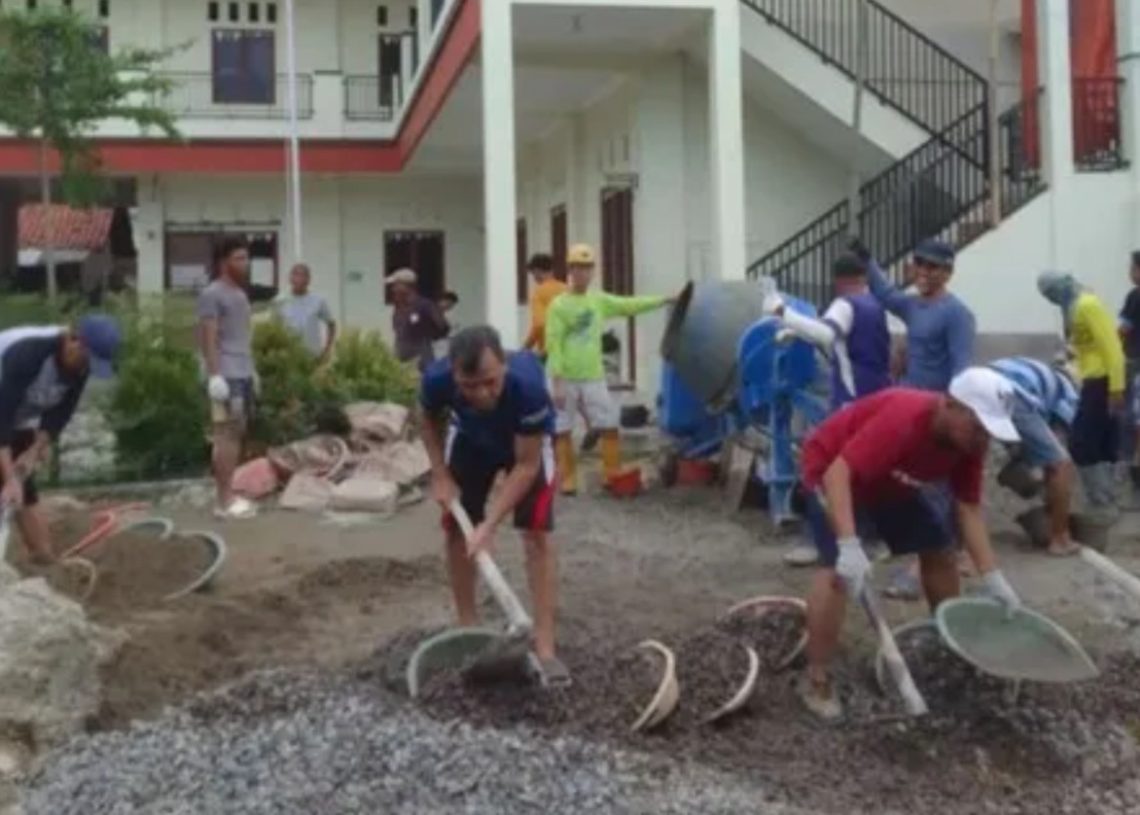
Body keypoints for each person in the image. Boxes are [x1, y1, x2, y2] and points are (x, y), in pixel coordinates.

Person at [797, 368, 1022, 719]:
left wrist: (992, 576)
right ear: (950, 405)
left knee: (940, 551)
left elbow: (968, 507)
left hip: (892, 481)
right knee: (837, 574)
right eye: (978, 427)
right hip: (832, 472)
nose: (982, 440)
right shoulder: (904, 418)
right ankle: (816, 679)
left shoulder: (968, 444)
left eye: (988, 432)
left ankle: (950, 647)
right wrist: (850, 546)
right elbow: (838, 474)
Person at [419, 326, 566, 682]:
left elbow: (526, 465)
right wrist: (440, 473)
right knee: (458, 529)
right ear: (454, 374)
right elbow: (426, 418)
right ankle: (468, 629)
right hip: (470, 439)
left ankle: (545, 647)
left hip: (524, 444)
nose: (482, 393)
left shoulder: (528, 385)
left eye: (490, 382)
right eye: (469, 386)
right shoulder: (436, 379)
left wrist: (490, 524)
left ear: (503, 365)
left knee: (535, 533)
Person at [544, 243, 674, 494]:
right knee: (562, 426)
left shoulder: (598, 300)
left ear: (592, 271)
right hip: (565, 376)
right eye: (578, 267)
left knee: (609, 422)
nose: (583, 273)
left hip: (593, 375)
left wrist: (663, 300)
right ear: (570, 270)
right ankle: (568, 479)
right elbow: (554, 344)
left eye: (587, 268)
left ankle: (611, 473)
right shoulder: (559, 305)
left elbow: (629, 305)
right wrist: (557, 383)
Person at [0, 316, 122, 564]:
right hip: (3, 408)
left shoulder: (80, 366)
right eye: (86, 358)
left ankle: (45, 561)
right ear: (72, 341)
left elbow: (58, 416)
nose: (86, 367)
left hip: (18, 415)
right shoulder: (28, 353)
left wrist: (33, 452)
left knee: (24, 486)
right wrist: (9, 477)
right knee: (7, 481)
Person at [1038, 271, 1126, 523]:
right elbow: (1085, 347)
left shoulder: (1087, 305)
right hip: (1092, 379)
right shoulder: (1075, 308)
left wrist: (1116, 388)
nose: (1051, 299)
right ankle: (1108, 502)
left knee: (1081, 442)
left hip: (1104, 380)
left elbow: (1112, 348)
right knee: (1103, 440)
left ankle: (1102, 502)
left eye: (1050, 293)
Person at [763, 252, 891, 410]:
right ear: (863, 277)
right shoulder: (874, 304)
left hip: (853, 398)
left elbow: (825, 334)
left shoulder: (845, 304)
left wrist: (782, 312)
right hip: (880, 394)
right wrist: (796, 331)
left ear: (838, 281)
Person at [989, 356, 1081, 556]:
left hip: (980, 387)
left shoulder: (1038, 377)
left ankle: (958, 547)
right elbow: (1056, 457)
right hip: (1011, 393)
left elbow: (1027, 441)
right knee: (1061, 464)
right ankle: (1061, 538)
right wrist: (1054, 498)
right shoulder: (1068, 395)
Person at [857, 237, 975, 391]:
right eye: (919, 263)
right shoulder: (912, 305)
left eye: (932, 267)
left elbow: (961, 370)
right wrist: (866, 260)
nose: (923, 271)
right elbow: (886, 294)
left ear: (948, 273)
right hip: (908, 398)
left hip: (934, 405)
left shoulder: (957, 314)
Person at [198, 237, 258, 520]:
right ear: (224, 262)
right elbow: (208, 336)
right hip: (226, 375)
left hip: (243, 371)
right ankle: (224, 501)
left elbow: (243, 336)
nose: (245, 263)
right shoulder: (213, 293)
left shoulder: (241, 294)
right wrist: (214, 376)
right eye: (238, 258)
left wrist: (253, 370)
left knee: (235, 434)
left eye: (246, 258)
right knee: (227, 436)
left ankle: (227, 493)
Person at [387, 268, 449, 373]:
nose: (393, 289)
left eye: (396, 285)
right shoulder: (399, 307)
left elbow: (443, 327)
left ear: (406, 286)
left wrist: (426, 336)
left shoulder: (425, 305)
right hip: (402, 363)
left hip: (421, 363)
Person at [274, 263, 337, 364]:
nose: (299, 279)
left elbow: (331, 324)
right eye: (296, 275)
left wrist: (327, 350)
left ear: (309, 280)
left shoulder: (318, 301)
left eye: (303, 275)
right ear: (290, 279)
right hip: (288, 359)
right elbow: (273, 329)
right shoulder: (280, 301)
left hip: (313, 358)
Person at [1117, 250, 1140, 486]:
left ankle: (1129, 460)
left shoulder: (1135, 296)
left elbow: (1123, 329)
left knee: (1130, 412)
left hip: (1135, 359)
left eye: (1132, 268)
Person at [522, 253, 566, 361]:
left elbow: (539, 325)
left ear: (537, 271)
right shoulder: (567, 290)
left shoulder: (539, 293)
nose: (533, 277)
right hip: (569, 351)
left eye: (533, 273)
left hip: (549, 353)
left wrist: (525, 348)